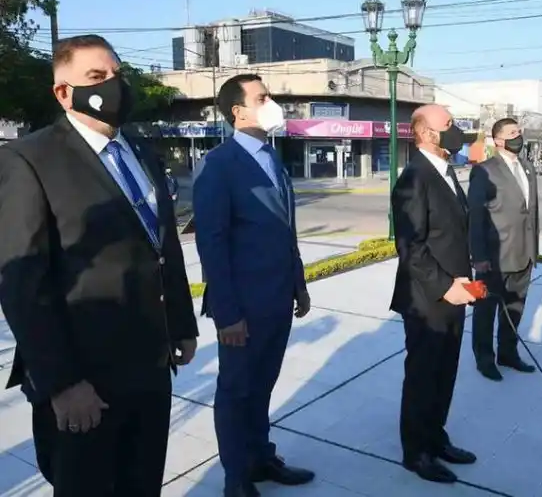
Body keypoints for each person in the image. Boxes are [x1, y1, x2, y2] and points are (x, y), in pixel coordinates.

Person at [0, 34, 199, 496]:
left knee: (142, 484)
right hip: (85, 380)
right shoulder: (28, 159)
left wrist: (181, 323)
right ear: (63, 92)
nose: (113, 85)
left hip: (149, 368)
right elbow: (22, 283)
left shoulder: (142, 153)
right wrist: (64, 384)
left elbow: (161, 245)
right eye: (96, 77)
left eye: (116, 74)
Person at [193, 74, 315, 497]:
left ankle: (261, 457)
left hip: (278, 298)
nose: (272, 103)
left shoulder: (272, 157)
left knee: (262, 385)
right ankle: (236, 478)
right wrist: (227, 313)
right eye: (262, 98)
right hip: (241, 307)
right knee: (236, 391)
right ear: (238, 111)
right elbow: (212, 243)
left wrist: (298, 284)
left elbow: (286, 229)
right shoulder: (219, 165)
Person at [390, 104, 478, 484]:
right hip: (428, 298)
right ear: (426, 134)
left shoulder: (446, 173)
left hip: (456, 292)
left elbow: (452, 233)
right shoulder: (414, 178)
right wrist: (446, 286)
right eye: (449, 125)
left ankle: (436, 437)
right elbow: (411, 247)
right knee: (423, 376)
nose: (455, 130)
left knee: (446, 373)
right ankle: (417, 452)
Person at [468, 118, 539, 382]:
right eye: (512, 133)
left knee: (514, 309)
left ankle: (507, 353)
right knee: (485, 311)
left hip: (524, 254)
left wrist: (534, 250)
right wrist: (479, 256)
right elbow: (475, 215)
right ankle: (484, 359)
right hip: (494, 258)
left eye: (519, 132)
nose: (518, 136)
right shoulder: (485, 170)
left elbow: (531, 213)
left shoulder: (528, 168)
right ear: (497, 140)